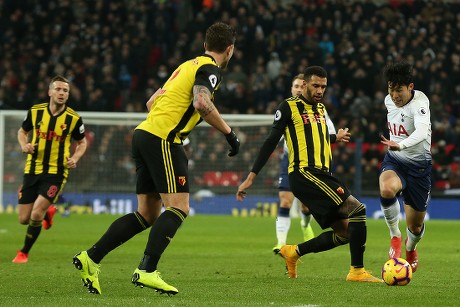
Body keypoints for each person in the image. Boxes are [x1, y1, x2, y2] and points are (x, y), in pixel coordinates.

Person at [73, 22, 240, 295]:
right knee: (179, 207)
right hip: (163, 139)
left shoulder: (185, 66)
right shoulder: (210, 70)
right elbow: (201, 103)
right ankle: (147, 270)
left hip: (144, 134)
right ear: (230, 49)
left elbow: (152, 102)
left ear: (204, 44)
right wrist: (229, 133)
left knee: (147, 213)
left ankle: (90, 258)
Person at [237, 66, 381, 283]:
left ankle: (293, 251)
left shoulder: (321, 109)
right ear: (304, 84)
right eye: (316, 85)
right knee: (357, 209)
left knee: (345, 233)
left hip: (322, 175)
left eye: (323, 86)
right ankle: (357, 271)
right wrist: (251, 176)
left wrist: (335, 137)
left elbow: (317, 136)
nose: (320, 90)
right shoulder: (288, 107)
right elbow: (270, 141)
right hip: (305, 173)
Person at [12, 75, 87, 263]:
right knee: (23, 219)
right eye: (59, 89)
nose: (62, 93)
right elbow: (22, 132)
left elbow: (82, 142)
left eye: (65, 91)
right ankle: (49, 212)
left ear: (68, 95)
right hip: (33, 168)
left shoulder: (73, 119)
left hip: (56, 172)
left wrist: (75, 157)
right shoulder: (35, 112)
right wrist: (24, 145)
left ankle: (24, 252)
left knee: (36, 213)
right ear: (50, 92)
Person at [379, 61, 432, 273]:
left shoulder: (420, 103)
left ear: (410, 87)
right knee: (386, 188)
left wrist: (399, 143)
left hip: (419, 167)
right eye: (391, 89)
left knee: (416, 226)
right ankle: (395, 237)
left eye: (399, 89)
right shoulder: (388, 101)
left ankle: (411, 248)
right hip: (396, 160)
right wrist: (396, 148)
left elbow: (421, 132)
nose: (394, 95)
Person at [273, 74, 316, 255]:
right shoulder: (285, 109)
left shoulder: (316, 109)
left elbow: (329, 134)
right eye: (296, 86)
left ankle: (305, 225)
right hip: (289, 159)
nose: (299, 89)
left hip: (309, 162)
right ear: (291, 89)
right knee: (285, 200)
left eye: (301, 86)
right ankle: (280, 243)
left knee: (306, 205)